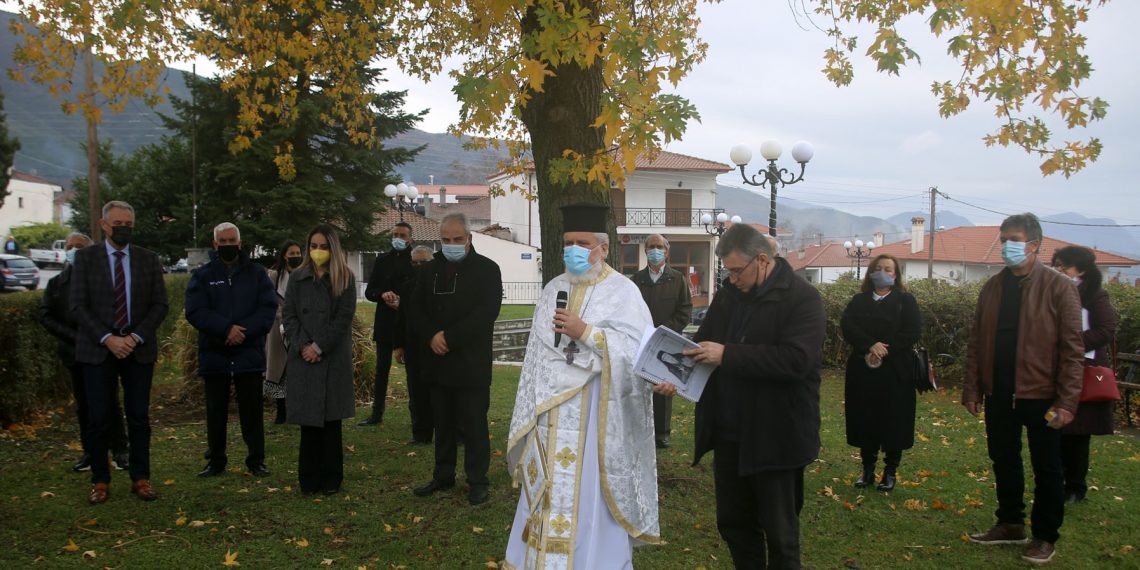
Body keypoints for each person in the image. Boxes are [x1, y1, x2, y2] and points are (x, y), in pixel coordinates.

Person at [656, 222, 825, 569]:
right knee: (734, 524)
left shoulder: (802, 298)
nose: (731, 279)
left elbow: (797, 360)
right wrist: (673, 373)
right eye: (727, 271)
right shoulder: (731, 296)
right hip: (731, 433)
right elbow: (703, 345)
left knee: (781, 534)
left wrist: (728, 355)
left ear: (762, 260)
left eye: (736, 271)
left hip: (778, 435)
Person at [506, 203, 659, 568]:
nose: (574, 249)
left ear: (603, 248)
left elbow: (637, 353)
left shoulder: (623, 292)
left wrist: (586, 333)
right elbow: (539, 357)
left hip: (596, 416)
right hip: (551, 413)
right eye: (568, 242)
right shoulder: (553, 288)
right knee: (547, 490)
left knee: (590, 492)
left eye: (583, 242)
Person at [963, 213, 1084, 565]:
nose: (1005, 246)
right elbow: (976, 341)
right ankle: (1010, 523)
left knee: (1048, 467)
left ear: (1034, 244)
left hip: (1042, 394)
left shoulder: (1059, 287)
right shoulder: (993, 286)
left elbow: (1073, 351)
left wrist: (1067, 401)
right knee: (1004, 459)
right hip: (999, 392)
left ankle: (1045, 536)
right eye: (1002, 239)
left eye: (1012, 239)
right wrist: (972, 388)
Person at [70, 201, 169, 505]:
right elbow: (77, 306)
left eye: (129, 224)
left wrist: (135, 336)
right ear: (103, 225)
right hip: (98, 351)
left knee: (138, 416)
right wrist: (107, 338)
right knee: (99, 417)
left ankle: (141, 478)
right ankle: (100, 480)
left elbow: (159, 305)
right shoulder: (86, 259)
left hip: (137, 350)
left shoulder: (147, 259)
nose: (124, 228)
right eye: (118, 223)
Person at [408, 213, 502, 506]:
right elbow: (414, 309)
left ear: (469, 239)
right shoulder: (429, 270)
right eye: (445, 240)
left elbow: (487, 313)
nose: (451, 245)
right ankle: (443, 475)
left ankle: (477, 480)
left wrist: (449, 337)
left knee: (474, 425)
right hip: (437, 362)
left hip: (471, 362)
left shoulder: (487, 269)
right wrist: (431, 336)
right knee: (443, 424)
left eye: (457, 240)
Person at [185, 222, 278, 478]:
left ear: (240, 242)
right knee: (216, 411)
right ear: (215, 245)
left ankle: (256, 459)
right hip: (215, 352)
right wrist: (225, 329)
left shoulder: (257, 274)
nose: (227, 246)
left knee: (252, 410)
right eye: (222, 242)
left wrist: (242, 331)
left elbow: (267, 309)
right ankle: (216, 460)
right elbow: (195, 311)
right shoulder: (202, 276)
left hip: (248, 352)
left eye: (231, 241)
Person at [39, 232, 129, 473]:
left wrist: (101, 335)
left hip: (102, 350)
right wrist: (74, 336)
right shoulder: (56, 283)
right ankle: (91, 452)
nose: (74, 250)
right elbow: (46, 315)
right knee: (84, 405)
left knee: (110, 402)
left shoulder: (103, 280)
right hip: (74, 352)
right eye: (70, 246)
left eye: (80, 246)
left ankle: (120, 450)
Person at [282, 224, 357, 495]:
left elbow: (342, 319)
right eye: (313, 246)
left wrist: (319, 346)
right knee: (309, 423)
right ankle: (308, 479)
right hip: (303, 358)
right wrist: (304, 345)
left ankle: (331, 479)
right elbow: (289, 315)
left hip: (332, 358)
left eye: (323, 246)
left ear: (333, 248)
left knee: (331, 423)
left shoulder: (345, 278)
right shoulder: (298, 277)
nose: (317, 251)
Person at [840, 253, 921, 492]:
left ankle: (890, 471)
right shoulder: (859, 300)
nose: (883, 272)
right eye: (879, 268)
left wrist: (885, 348)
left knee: (894, 420)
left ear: (895, 275)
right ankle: (867, 470)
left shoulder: (906, 301)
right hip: (863, 370)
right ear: (871, 272)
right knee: (865, 419)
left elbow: (912, 331)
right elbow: (848, 326)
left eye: (889, 268)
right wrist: (869, 345)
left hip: (896, 372)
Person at [1051, 246, 1117, 505]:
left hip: (1084, 370)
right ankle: (1057, 479)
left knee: (1078, 432)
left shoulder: (1095, 295)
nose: (1059, 271)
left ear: (1081, 269)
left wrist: (1072, 343)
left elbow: (1106, 329)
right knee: (1054, 425)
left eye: (1064, 266)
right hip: (1056, 368)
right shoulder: (1057, 292)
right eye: (1056, 265)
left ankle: (1075, 486)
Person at [631, 233, 692, 449]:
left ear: (666, 251)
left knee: (663, 385)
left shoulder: (677, 279)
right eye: (651, 246)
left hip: (667, 341)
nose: (655, 250)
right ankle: (639, 428)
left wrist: (667, 332)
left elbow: (685, 310)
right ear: (645, 250)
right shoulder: (636, 280)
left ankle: (662, 434)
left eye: (659, 247)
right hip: (642, 340)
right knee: (640, 384)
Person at [359, 222, 416, 426]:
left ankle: (416, 416)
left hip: (409, 323)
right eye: (395, 234)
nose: (398, 238)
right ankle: (376, 414)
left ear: (410, 238)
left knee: (413, 372)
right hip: (385, 323)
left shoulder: (415, 261)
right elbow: (369, 291)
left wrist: (403, 301)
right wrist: (382, 294)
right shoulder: (381, 260)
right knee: (381, 370)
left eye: (402, 235)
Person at [393, 245, 436, 444]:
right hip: (413, 347)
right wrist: (398, 345)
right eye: (415, 263)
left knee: (441, 392)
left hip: (437, 347)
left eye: (424, 263)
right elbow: (401, 319)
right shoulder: (407, 287)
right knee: (416, 393)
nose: (419, 266)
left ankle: (452, 432)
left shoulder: (440, 285)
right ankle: (421, 433)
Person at [265, 240, 303, 424]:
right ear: (284, 256)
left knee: (298, 368)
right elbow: (267, 301)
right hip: (277, 326)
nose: (295, 256)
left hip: (300, 326)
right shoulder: (273, 276)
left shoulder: (305, 275)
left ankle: (297, 408)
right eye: (292, 253)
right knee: (278, 368)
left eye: (298, 253)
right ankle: (280, 409)